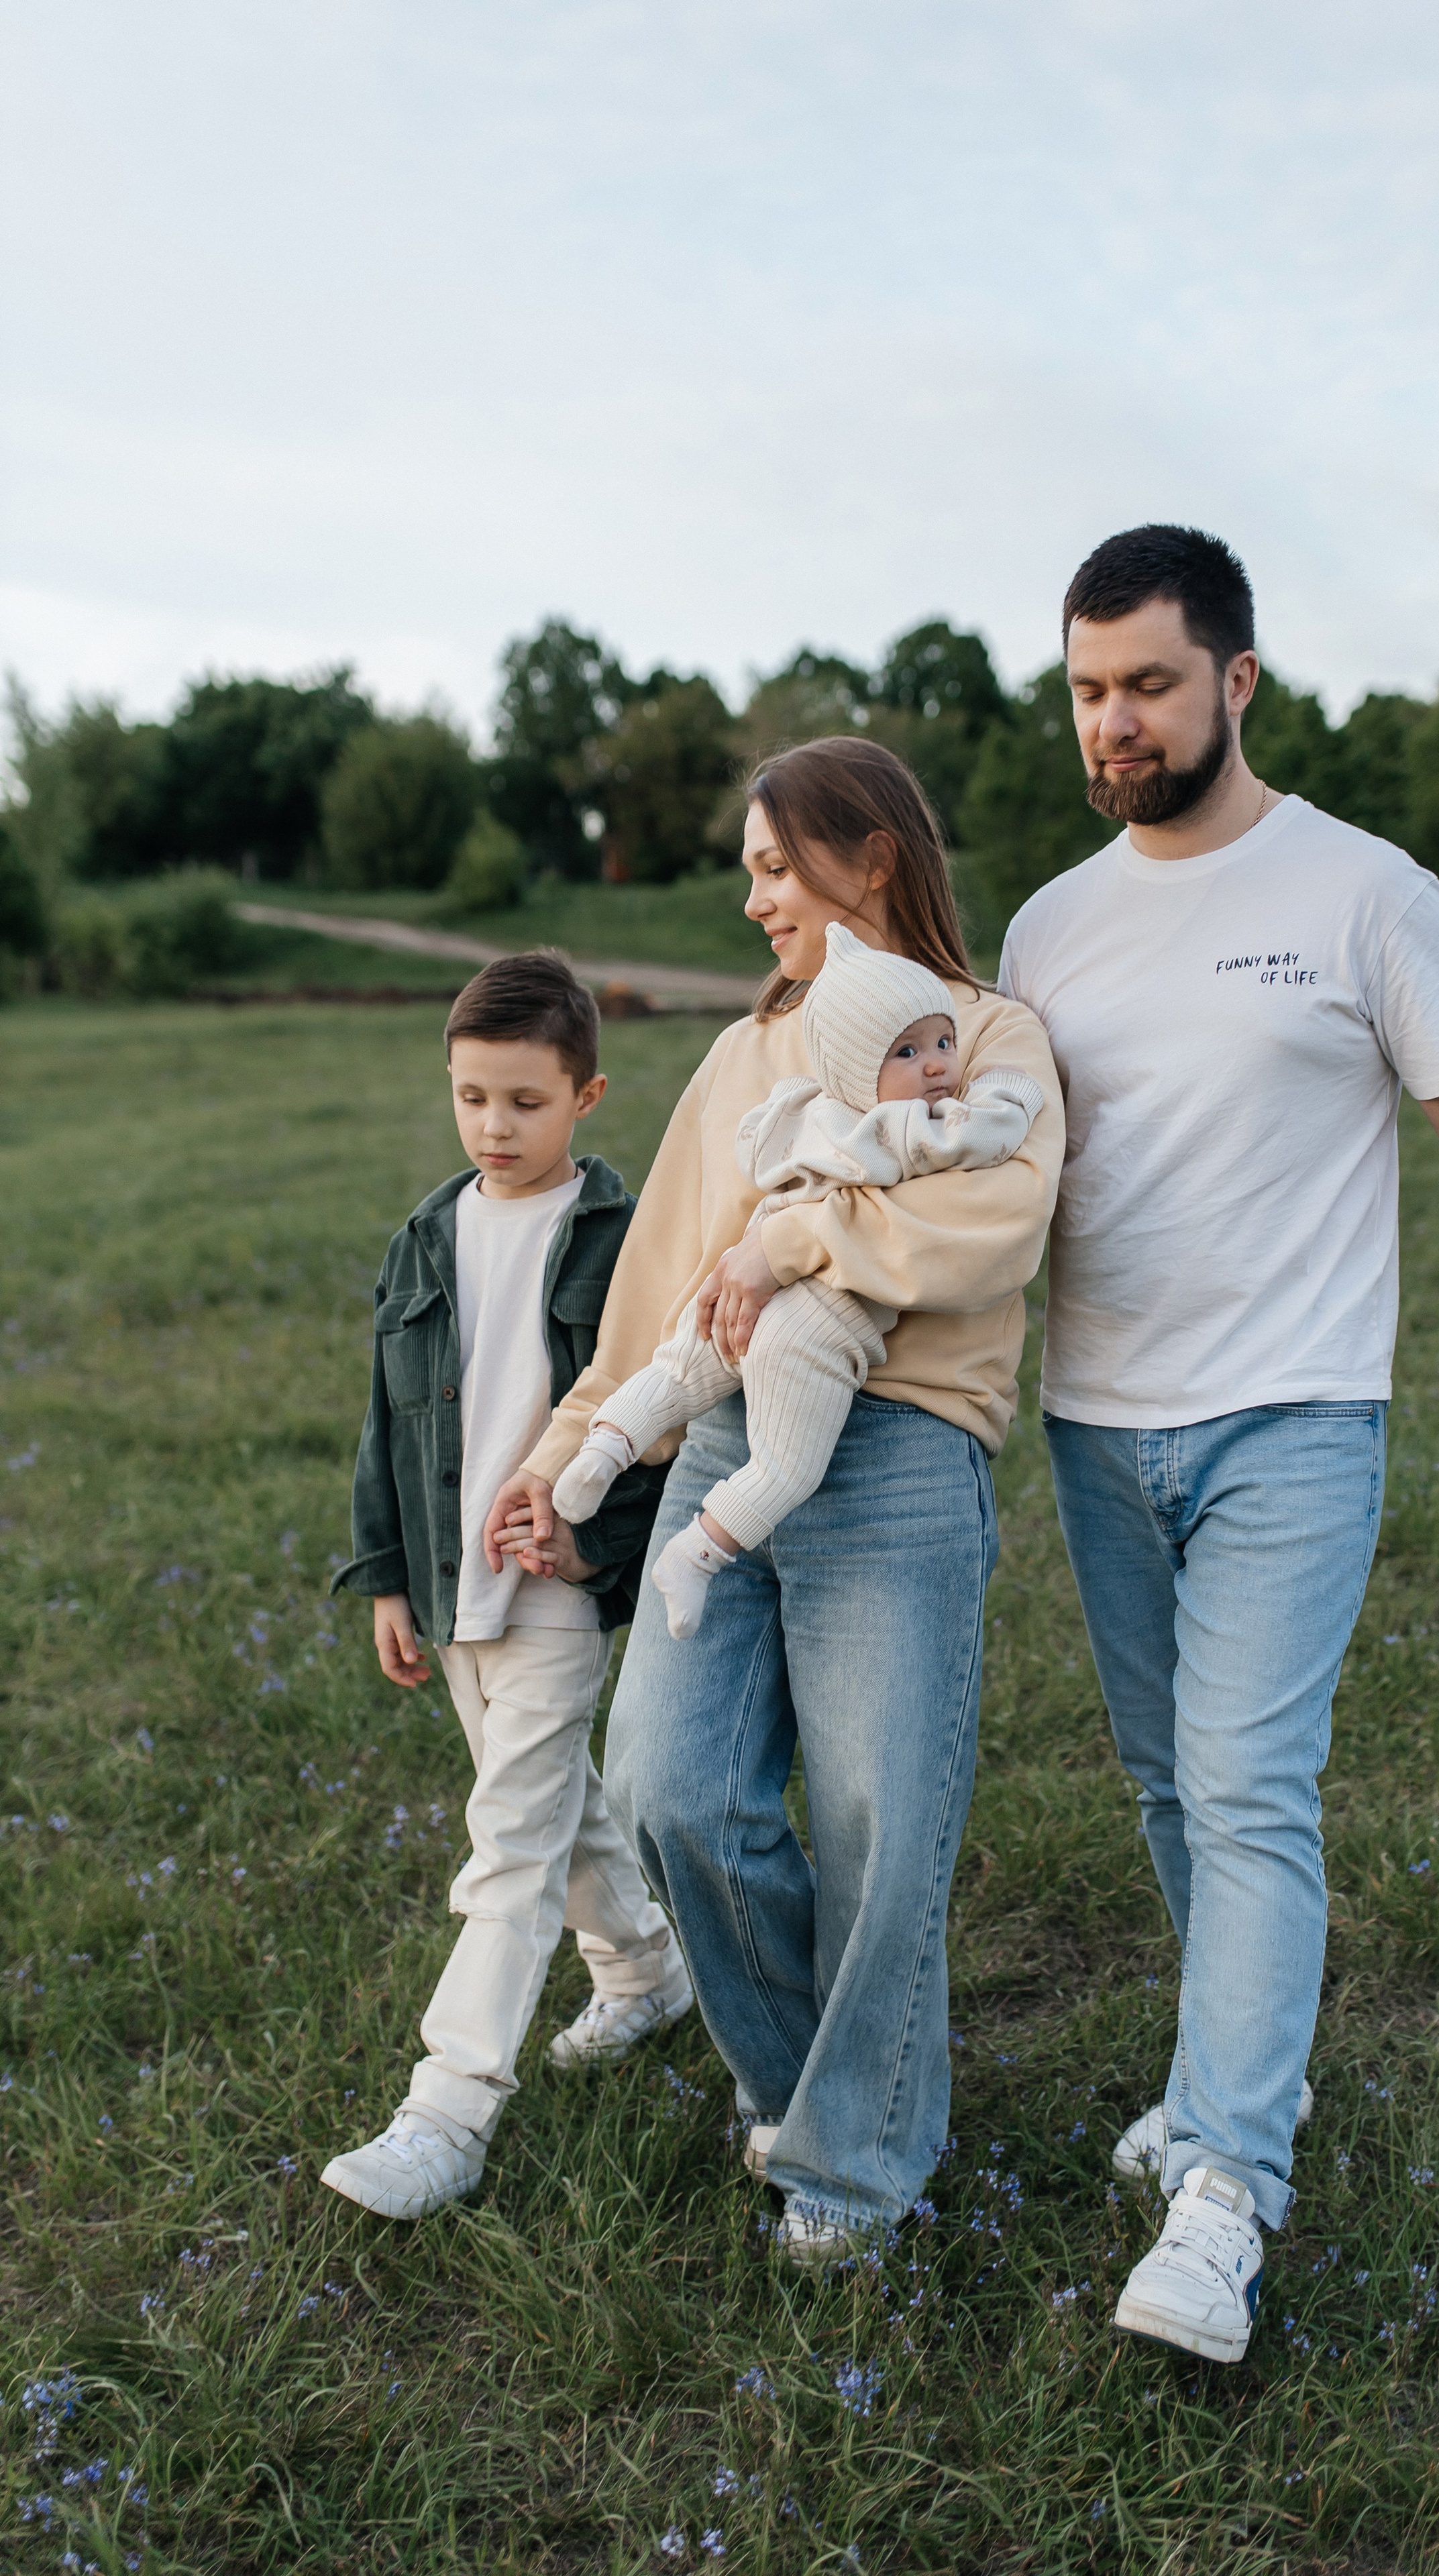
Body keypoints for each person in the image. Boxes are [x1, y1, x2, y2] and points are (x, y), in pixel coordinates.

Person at [999, 525, 1439, 2363]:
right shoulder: (1049, 926)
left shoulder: (1363, 891)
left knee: (1248, 1788)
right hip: (1099, 1427)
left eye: (1149, 683)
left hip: (1296, 1420)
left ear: (1236, 680)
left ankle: (1228, 2184)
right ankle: (1239, 2072)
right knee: (1172, 1790)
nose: (1116, 721)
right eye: (1089, 690)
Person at [488, 737, 1064, 2261]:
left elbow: (987, 1230)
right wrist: (564, 1460)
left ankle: (854, 2163)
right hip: (720, 1441)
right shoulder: (749, 1057)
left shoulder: (993, 1034)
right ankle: (818, 2079)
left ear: (866, 858)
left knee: (880, 1813)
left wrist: (785, 1251)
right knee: (672, 1787)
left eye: (769, 864)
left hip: (903, 1446)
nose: (750, 898)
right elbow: (661, 1286)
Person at [323, 951, 692, 2222]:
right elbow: (387, 1420)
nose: (494, 1127)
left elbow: (663, 1417)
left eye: (525, 1102)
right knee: (552, 1801)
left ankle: (451, 2105)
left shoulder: (624, 1238)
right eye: (472, 1098)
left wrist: (600, 1547)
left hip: (550, 1586)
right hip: (449, 1582)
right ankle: (644, 1971)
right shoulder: (427, 1234)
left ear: (586, 1097)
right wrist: (386, 1578)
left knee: (512, 1842)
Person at [538, 922, 1043, 1638]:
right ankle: (700, 1550)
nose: (935, 1066)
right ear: (857, 1069)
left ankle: (606, 1447)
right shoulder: (903, 1129)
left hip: (737, 1293)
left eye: (943, 1044)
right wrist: (1006, 1088)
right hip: (817, 1325)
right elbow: (982, 1133)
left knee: (679, 1371)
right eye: (906, 1052)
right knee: (784, 1466)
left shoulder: (808, 1114)